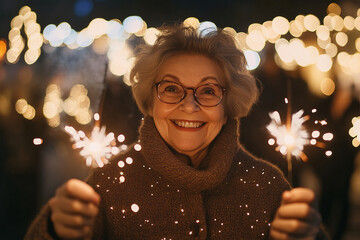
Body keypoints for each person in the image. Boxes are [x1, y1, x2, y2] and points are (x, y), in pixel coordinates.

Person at [25, 24, 327, 240]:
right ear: (150, 102)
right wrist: (54, 230)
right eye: (171, 89)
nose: (189, 105)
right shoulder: (107, 185)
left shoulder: (268, 185)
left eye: (208, 91)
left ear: (229, 107)